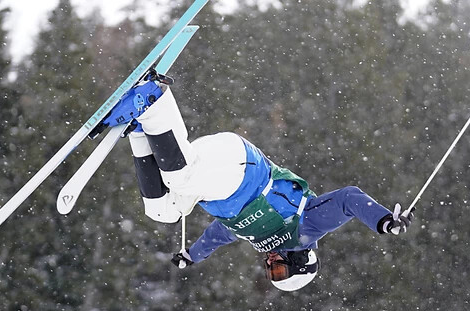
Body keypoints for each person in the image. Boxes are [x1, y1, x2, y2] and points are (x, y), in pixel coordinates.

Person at [103, 74, 413, 291]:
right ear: (300, 259)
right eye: (279, 268)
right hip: (240, 166)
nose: (270, 264)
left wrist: (191, 256)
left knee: (164, 211)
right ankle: (153, 101)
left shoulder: (255, 235)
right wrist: (385, 222)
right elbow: (349, 199)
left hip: (215, 177)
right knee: (179, 179)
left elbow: (216, 236)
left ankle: (140, 129)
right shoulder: (306, 228)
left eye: (271, 271)